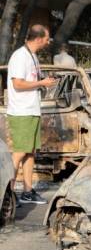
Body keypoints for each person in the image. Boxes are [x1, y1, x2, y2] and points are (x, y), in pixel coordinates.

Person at [7, 25, 57, 205]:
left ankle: (27, 192)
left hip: (32, 110)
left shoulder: (32, 56)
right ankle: (7, 194)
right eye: (47, 38)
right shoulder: (20, 56)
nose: (48, 41)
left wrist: (44, 82)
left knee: (30, 152)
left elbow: (32, 81)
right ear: (38, 39)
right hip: (22, 112)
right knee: (19, 152)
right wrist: (41, 82)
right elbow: (18, 84)